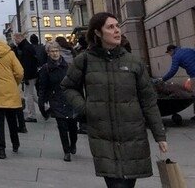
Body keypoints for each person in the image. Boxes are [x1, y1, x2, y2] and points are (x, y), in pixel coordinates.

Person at [61, 12, 167, 188]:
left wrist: (159, 135)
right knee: (117, 185)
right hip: (103, 137)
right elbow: (68, 86)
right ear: (97, 32)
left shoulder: (134, 62)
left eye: (117, 26)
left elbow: (148, 101)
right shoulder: (84, 60)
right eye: (110, 27)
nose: (117, 31)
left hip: (133, 136)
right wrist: (85, 108)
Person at [37, 42, 77, 161]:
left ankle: (73, 143)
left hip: (70, 98)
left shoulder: (69, 66)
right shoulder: (46, 68)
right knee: (62, 126)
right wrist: (41, 101)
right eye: (52, 51)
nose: (55, 53)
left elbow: (76, 83)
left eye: (56, 51)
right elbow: (42, 86)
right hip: (56, 99)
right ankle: (66, 151)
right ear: (48, 53)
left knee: (73, 126)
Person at [159, 44, 195, 121]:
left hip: (194, 74)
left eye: (169, 53)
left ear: (171, 50)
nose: (170, 55)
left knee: (194, 93)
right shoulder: (187, 49)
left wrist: (163, 79)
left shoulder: (176, 56)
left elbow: (173, 71)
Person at [12, 33, 40, 124]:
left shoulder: (25, 48)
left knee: (28, 95)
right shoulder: (27, 46)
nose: (15, 42)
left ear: (19, 38)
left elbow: (26, 64)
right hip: (33, 74)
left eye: (15, 40)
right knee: (33, 94)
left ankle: (32, 115)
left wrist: (26, 77)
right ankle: (46, 108)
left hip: (29, 75)